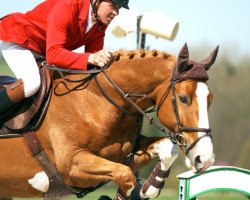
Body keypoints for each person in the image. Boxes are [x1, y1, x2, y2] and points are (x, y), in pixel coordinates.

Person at [0, 0, 129, 114]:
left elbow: (92, 66)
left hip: (42, 50)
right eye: (113, 5)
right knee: (31, 84)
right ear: (97, 1)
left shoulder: (100, 25)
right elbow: (54, 55)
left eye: (119, 8)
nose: (116, 12)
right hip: (19, 39)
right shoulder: (67, 5)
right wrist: (91, 58)